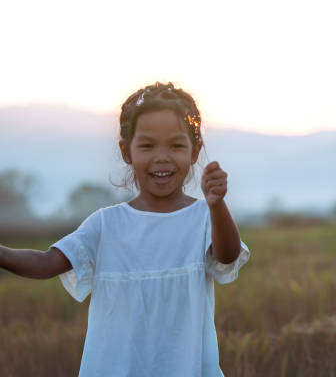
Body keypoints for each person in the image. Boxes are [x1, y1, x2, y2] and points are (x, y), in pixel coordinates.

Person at [0, 82, 249, 376]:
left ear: (195, 152)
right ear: (126, 151)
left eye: (176, 145)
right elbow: (46, 263)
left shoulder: (202, 217)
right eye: (147, 145)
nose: (162, 157)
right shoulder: (105, 225)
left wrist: (217, 206)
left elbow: (227, 256)